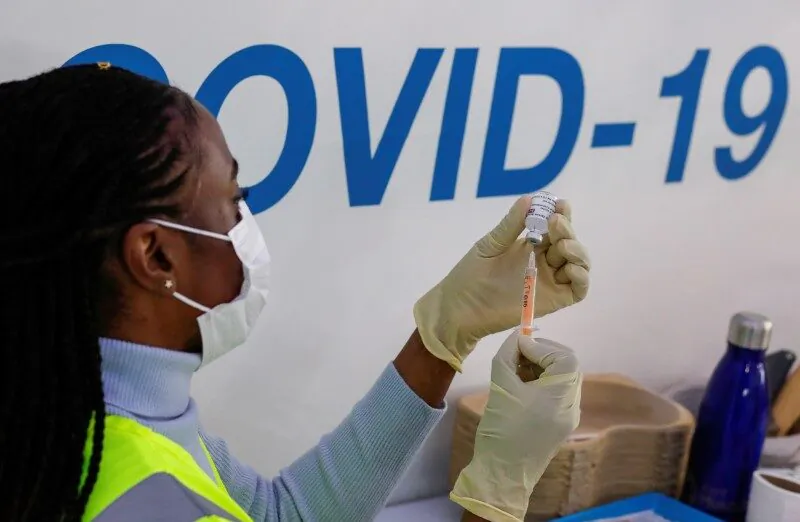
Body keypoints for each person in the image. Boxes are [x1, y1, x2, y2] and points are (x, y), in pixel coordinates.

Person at [0, 64, 590, 522]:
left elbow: (280, 516)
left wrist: (444, 336)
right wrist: (497, 491)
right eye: (234, 200)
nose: (245, 222)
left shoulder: (73, 403)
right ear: (157, 256)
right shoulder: (141, 490)